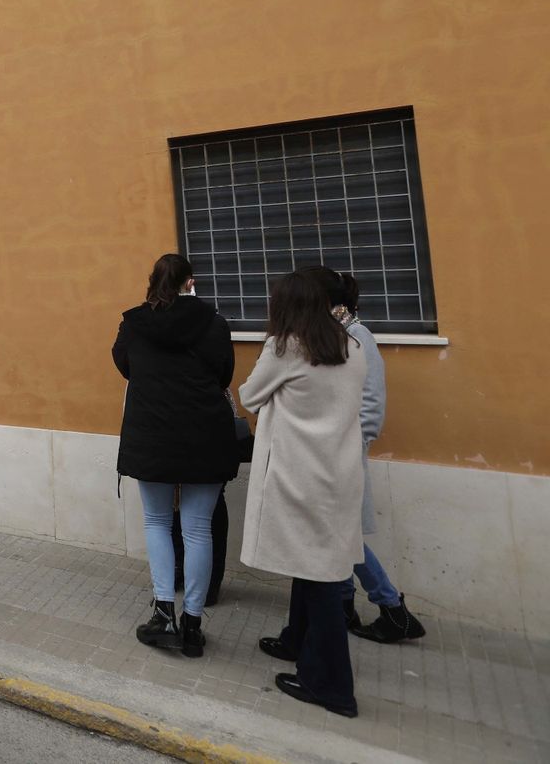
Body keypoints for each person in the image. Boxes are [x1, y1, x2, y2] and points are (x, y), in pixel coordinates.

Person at [243, 270, 368, 718]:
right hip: (339, 473)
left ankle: (331, 685)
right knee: (314, 565)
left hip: (299, 475)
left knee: (320, 580)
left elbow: (249, 395)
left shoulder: (286, 348)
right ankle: (296, 640)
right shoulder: (351, 346)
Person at [113, 254, 238, 658]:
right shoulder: (215, 323)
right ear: (190, 282)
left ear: (153, 282)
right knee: (198, 530)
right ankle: (193, 626)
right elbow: (224, 374)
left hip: (152, 435)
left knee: (157, 522)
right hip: (206, 435)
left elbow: (124, 365)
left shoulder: (134, 323)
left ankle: (164, 614)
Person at [304, 267, 427, 644]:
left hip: (343, 452)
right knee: (338, 532)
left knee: (344, 534)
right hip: (324, 452)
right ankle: (348, 605)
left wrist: (355, 443)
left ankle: (392, 608)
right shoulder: (329, 335)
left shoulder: (359, 336)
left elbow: (371, 402)